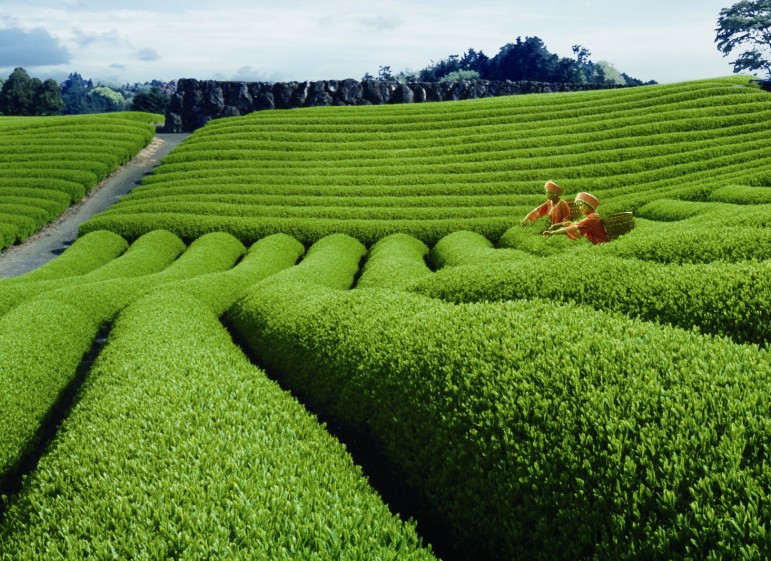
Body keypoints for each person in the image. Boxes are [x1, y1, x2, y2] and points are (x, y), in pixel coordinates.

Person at [543, 191, 610, 244]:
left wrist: (552, 233)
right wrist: (558, 225)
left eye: (581, 205)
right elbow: (577, 224)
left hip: (602, 243)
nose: (579, 208)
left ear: (589, 206)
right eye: (578, 206)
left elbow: (575, 227)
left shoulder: (592, 218)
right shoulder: (592, 216)